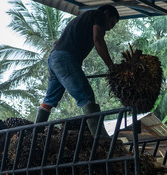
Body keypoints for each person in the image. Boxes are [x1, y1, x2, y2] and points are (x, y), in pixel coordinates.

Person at [34, 5, 120, 137]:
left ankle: (35, 135)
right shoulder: (99, 15)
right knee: (86, 96)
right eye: (110, 23)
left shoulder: (83, 18)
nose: (108, 28)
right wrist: (112, 67)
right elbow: (98, 40)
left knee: (49, 100)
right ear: (107, 13)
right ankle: (102, 140)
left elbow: (59, 40)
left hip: (54, 58)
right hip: (64, 59)